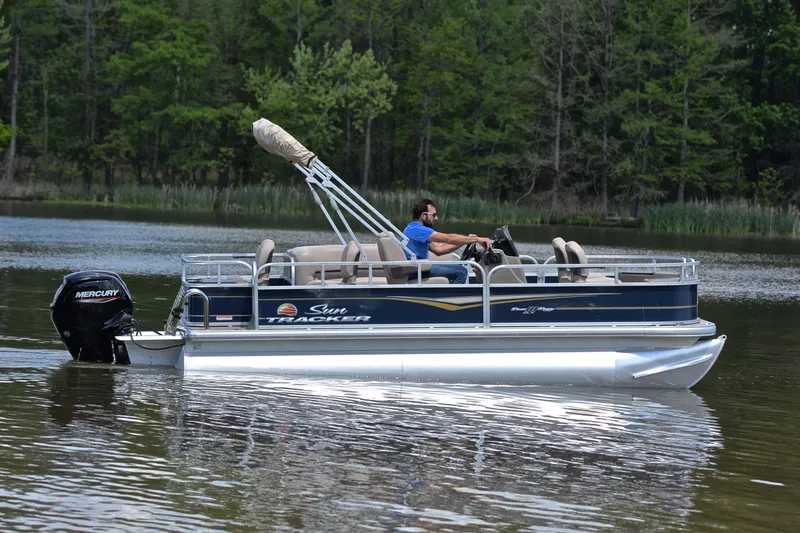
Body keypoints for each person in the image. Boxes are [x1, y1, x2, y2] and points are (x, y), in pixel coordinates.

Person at [403, 198, 492, 284]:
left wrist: (467, 240)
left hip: (418, 268)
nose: (436, 218)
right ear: (424, 216)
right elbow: (448, 238)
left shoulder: (413, 228)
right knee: (461, 272)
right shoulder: (418, 229)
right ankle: (454, 298)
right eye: (433, 215)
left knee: (458, 269)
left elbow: (439, 249)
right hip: (416, 271)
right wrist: (476, 239)